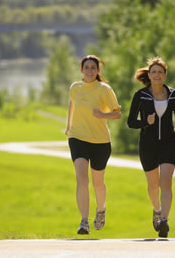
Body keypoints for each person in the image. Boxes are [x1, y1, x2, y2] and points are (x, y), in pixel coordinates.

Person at [127, 57, 175, 238]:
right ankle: (157, 210)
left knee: (165, 182)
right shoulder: (140, 95)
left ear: (165, 74)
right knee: (153, 185)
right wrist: (145, 122)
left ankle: (164, 221)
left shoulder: (173, 94)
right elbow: (130, 122)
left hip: (169, 142)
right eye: (154, 72)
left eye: (160, 72)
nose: (157, 75)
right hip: (148, 144)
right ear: (149, 75)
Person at [65, 55, 121, 235]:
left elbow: (117, 114)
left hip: (100, 141)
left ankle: (101, 209)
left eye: (93, 68)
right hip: (77, 138)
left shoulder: (104, 89)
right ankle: (83, 221)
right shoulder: (75, 87)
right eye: (86, 67)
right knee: (82, 178)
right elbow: (72, 104)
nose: (89, 70)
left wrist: (102, 115)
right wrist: (68, 126)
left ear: (98, 71)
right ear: (81, 69)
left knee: (98, 183)